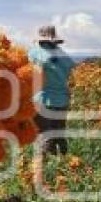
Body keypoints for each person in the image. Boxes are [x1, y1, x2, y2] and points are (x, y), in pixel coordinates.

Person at [28, 25, 76, 156]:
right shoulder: (62, 53)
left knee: (44, 135)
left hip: (42, 100)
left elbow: (27, 72)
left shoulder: (35, 52)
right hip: (62, 101)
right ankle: (64, 164)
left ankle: (44, 168)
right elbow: (69, 73)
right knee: (59, 134)